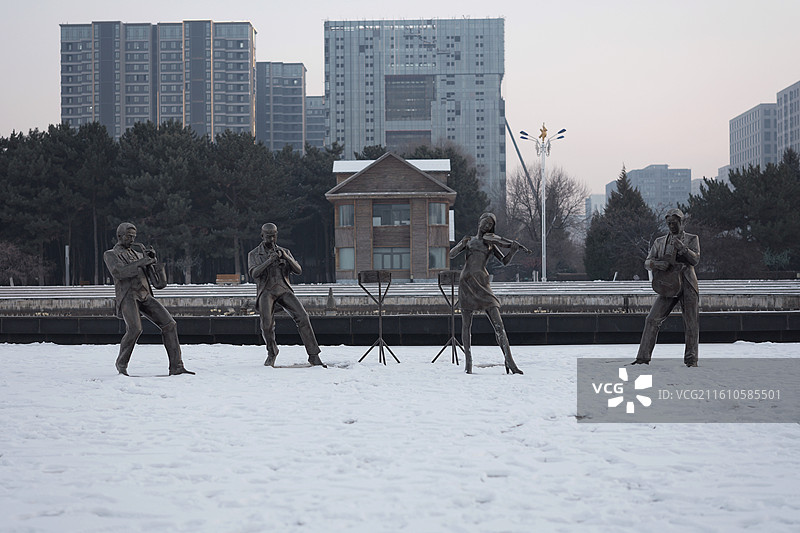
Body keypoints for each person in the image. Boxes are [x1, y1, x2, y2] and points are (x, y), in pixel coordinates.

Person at [103, 222, 194, 376]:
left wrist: (154, 263)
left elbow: (159, 284)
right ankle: (121, 364)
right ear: (119, 236)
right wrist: (142, 262)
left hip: (145, 295)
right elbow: (119, 272)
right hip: (128, 296)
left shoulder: (139, 255)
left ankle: (176, 366)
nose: (132, 239)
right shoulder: (111, 254)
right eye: (129, 236)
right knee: (135, 329)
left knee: (170, 324)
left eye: (134, 236)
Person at [450, 212, 523, 375]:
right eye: (485, 222)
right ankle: (468, 362)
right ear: (479, 221)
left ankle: (510, 361)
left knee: (499, 324)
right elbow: (451, 254)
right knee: (466, 325)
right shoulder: (469, 240)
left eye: (490, 224)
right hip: (467, 282)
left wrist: (513, 251)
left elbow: (504, 261)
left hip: (483, 284)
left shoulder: (490, 244)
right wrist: (461, 243)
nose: (487, 226)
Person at [248, 223, 326, 368]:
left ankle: (313, 355)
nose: (271, 239)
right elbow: (254, 273)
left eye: (274, 236)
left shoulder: (284, 251)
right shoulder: (253, 254)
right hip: (267, 291)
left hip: (284, 290)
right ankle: (272, 352)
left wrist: (286, 258)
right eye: (268, 236)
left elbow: (298, 270)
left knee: (303, 317)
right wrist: (269, 261)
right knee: (266, 325)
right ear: (262, 236)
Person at [632, 208, 700, 367]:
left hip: (688, 284)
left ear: (682, 223)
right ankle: (643, 358)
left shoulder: (692, 239)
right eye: (669, 223)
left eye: (674, 223)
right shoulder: (659, 241)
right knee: (651, 319)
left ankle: (691, 360)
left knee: (691, 322)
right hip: (668, 285)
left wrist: (683, 248)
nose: (671, 226)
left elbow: (695, 260)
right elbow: (647, 262)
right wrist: (656, 263)